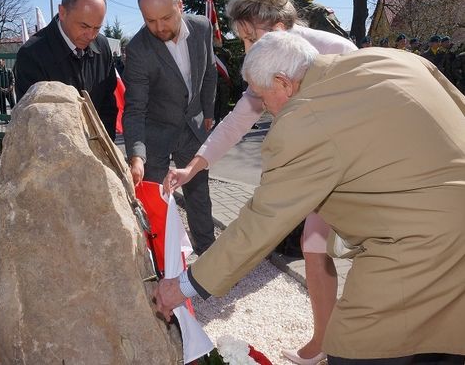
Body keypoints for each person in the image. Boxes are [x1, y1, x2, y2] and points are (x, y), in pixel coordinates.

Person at [156, 31, 465, 365]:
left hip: (420, 245)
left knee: (356, 345)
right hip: (449, 228)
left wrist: (184, 286)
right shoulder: (392, 59)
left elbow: (261, 222)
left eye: (261, 97)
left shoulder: (304, 120)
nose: (262, 108)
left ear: (284, 83)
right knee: (442, 341)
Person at [163, 0, 357, 364]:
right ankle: (324, 340)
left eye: (251, 39)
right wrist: (193, 167)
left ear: (280, 29)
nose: (247, 50)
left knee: (366, 249)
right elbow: (237, 122)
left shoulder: (337, 51)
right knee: (314, 246)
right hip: (321, 171)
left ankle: (364, 340)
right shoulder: (268, 64)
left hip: (357, 166)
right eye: (244, 41)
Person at [122, 0, 217, 255]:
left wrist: (209, 113)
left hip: (193, 127)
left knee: (199, 193)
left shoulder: (202, 27)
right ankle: (163, 256)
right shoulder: (138, 48)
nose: (159, 28)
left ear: (180, 5)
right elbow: (135, 108)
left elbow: (210, 71)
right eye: (150, 21)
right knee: (156, 198)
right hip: (156, 133)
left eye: (165, 17)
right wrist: (136, 156)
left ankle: (207, 250)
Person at [15, 0, 118, 140]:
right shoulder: (32, 55)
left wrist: (102, 148)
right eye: (84, 26)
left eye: (97, 28)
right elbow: (32, 120)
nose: (91, 35)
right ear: (62, 12)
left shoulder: (102, 46)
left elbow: (108, 106)